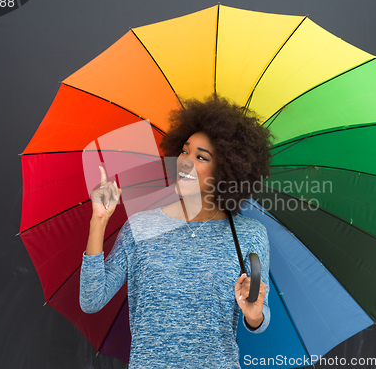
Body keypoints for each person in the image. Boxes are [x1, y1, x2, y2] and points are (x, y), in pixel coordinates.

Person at [80, 96, 272, 368]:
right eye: (184, 152)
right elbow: (91, 300)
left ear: (227, 170)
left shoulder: (249, 235)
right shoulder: (141, 227)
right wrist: (98, 222)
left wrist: (253, 314)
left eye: (201, 157)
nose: (185, 162)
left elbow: (260, 318)